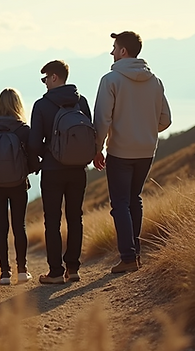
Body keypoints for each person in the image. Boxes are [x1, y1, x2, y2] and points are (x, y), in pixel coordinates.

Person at [92, 31, 172, 274]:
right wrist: (145, 129)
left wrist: (97, 148)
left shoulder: (110, 80)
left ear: (123, 51)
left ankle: (128, 257)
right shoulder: (155, 81)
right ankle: (134, 254)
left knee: (120, 204)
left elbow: (102, 119)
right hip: (146, 151)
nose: (112, 52)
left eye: (114, 47)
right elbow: (165, 120)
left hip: (120, 152)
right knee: (134, 199)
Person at [29, 60, 93, 284]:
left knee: (52, 221)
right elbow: (89, 136)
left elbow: (35, 144)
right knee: (75, 217)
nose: (44, 82)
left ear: (54, 77)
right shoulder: (81, 101)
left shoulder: (41, 105)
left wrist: (47, 152)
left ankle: (55, 272)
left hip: (52, 170)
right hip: (78, 170)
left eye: (45, 78)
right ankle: (73, 268)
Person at [0, 88, 39, 285]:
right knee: (19, 226)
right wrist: (22, 172)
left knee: (1, 228)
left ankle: (4, 273)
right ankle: (22, 271)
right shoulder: (23, 130)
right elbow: (35, 161)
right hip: (19, 185)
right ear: (18, 104)